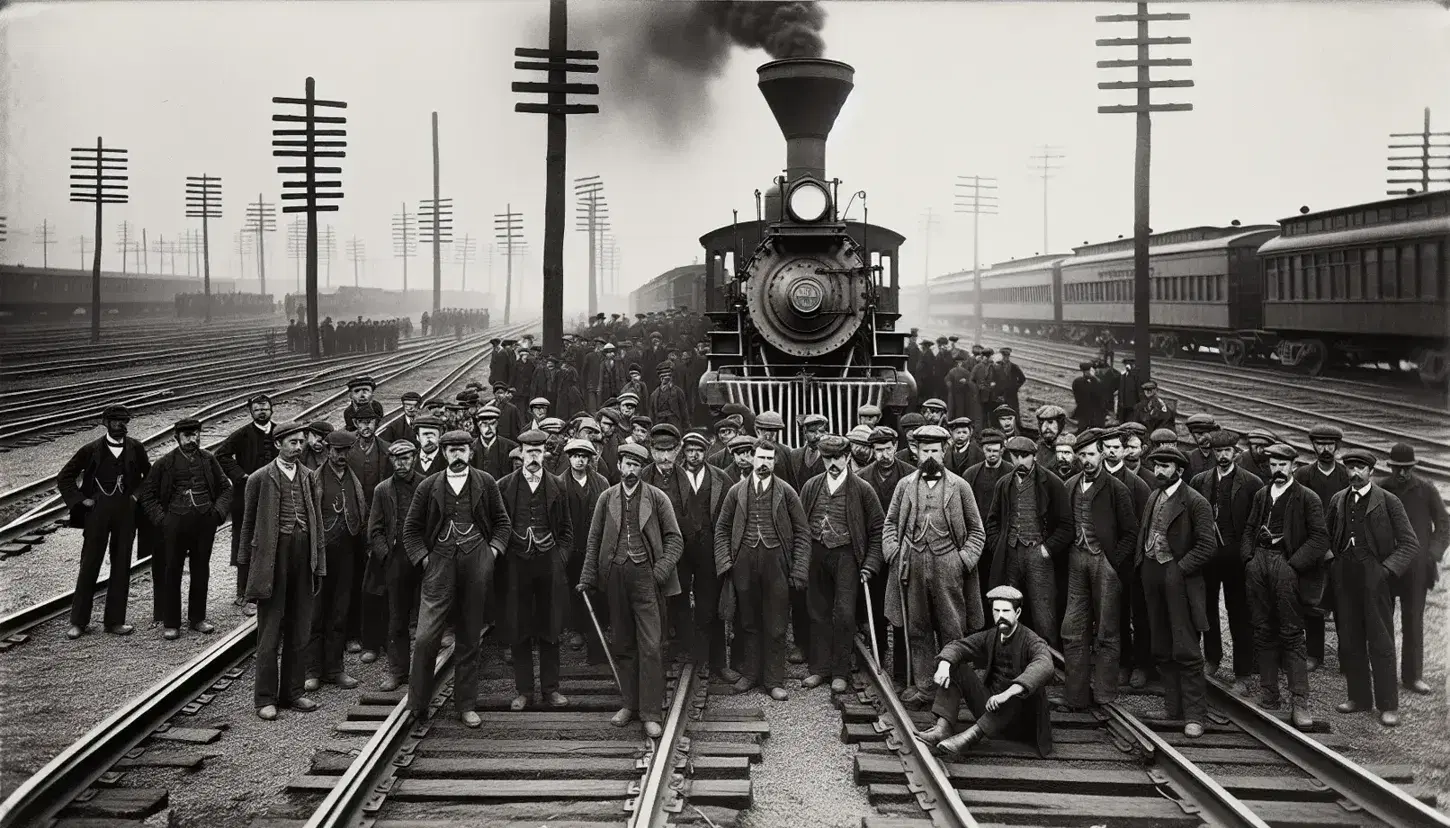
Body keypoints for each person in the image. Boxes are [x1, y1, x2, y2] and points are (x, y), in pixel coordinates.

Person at [403, 430, 513, 727]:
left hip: (476, 562)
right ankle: (417, 704)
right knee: (426, 637)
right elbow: (411, 529)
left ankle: (466, 705)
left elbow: (503, 523)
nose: (456, 455)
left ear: (470, 452)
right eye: (451, 450)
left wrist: (491, 554)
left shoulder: (486, 482)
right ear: (443, 453)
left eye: (461, 449)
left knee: (469, 637)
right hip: (439, 564)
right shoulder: (428, 486)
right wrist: (424, 559)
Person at [578, 442, 685, 737]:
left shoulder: (657, 498)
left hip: (646, 579)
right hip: (614, 578)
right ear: (619, 466)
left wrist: (659, 572)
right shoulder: (606, 498)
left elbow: (675, 540)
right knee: (623, 643)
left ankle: (651, 712)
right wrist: (588, 576)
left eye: (636, 465)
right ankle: (630, 704)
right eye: (626, 463)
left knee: (650, 645)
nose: (630, 470)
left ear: (642, 468)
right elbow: (593, 540)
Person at [882, 424, 986, 708]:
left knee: (952, 627)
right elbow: (890, 523)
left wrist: (963, 560)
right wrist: (892, 552)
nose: (930, 456)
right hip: (912, 564)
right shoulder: (905, 486)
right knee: (918, 627)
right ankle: (925, 687)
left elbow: (977, 530)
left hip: (947, 565)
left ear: (944, 452)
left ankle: (952, 687)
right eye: (924, 450)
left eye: (935, 451)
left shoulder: (960, 486)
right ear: (916, 452)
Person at [238, 422, 326, 720]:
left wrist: (319, 564)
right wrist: (246, 572)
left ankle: (294, 692)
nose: (299, 447)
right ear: (278, 445)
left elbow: (317, 524)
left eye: (301, 442)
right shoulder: (260, 478)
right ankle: (265, 698)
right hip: (273, 560)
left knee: (301, 628)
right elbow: (247, 525)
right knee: (270, 631)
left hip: (303, 559)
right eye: (292, 442)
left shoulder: (309, 477)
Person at [1326, 448, 1418, 727]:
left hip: (1375, 579)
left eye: (1360, 468)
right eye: (1350, 468)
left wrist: (1386, 571)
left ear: (1371, 472)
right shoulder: (1338, 499)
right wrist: (1333, 563)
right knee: (1350, 639)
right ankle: (1359, 697)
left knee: (1381, 641)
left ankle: (1388, 705)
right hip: (1345, 577)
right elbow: (1328, 536)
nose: (1354, 473)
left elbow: (1409, 543)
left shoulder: (1388, 501)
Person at [714, 439, 810, 700]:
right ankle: (751, 675)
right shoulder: (736, 492)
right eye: (760, 458)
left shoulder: (787, 492)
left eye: (769, 459)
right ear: (752, 459)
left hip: (776, 562)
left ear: (775, 461)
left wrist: (799, 569)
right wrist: (725, 564)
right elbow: (722, 529)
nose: (765, 463)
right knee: (748, 622)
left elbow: (802, 532)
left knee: (777, 623)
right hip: (743, 562)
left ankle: (774, 680)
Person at [1241, 443, 1328, 729]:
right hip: (1260, 565)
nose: (1277, 470)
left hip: (1286, 566)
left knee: (1291, 634)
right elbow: (1250, 529)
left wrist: (1293, 565)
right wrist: (1249, 558)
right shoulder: (1261, 495)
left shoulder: (1307, 498)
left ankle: (1300, 702)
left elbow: (1319, 539)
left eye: (1283, 464)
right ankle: (1269, 695)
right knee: (1262, 629)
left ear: (1293, 466)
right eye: (1273, 464)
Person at [914, 585, 1055, 758]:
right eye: (996, 611)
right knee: (955, 666)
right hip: (990, 709)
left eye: (1006, 611)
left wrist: (1008, 693)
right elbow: (958, 646)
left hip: (1020, 722)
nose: (1000, 616)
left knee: (1018, 691)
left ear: (1017, 613)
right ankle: (943, 728)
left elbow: (1045, 664)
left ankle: (970, 737)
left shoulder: (1032, 641)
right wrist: (944, 665)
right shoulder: (991, 636)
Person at [1137, 445, 1216, 737]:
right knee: (1160, 643)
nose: (1159, 471)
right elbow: (1145, 534)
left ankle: (1195, 714)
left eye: (1166, 466)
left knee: (1186, 647)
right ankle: (1173, 707)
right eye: (1157, 465)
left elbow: (1208, 546)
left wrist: (1178, 570)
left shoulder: (1195, 502)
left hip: (1180, 580)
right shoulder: (1154, 496)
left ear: (1179, 470)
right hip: (1152, 575)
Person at [798, 434, 885, 693]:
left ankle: (840, 672)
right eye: (827, 458)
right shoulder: (811, 486)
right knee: (817, 612)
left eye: (838, 457)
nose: (833, 463)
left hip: (847, 555)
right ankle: (820, 670)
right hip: (817, 553)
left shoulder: (862, 489)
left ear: (848, 457)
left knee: (844, 614)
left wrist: (870, 564)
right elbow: (801, 526)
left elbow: (878, 529)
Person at [1060, 430, 1140, 712]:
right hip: (1076, 561)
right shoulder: (1069, 485)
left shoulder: (1118, 489)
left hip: (1103, 564)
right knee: (1072, 629)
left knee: (1107, 630)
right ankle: (1075, 696)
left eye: (1091, 454)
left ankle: (1105, 693)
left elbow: (1131, 533)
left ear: (1103, 455)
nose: (1086, 460)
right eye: (1081, 455)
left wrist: (1112, 562)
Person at [57, 404, 153, 638]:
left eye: (124, 421)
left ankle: (115, 621)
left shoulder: (136, 448)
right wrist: (81, 501)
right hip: (97, 514)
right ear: (106, 423)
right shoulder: (90, 450)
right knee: (89, 565)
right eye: (116, 421)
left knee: (121, 567)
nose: (121, 425)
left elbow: (149, 476)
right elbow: (65, 477)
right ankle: (79, 622)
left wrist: (135, 496)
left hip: (126, 515)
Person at [497, 430, 576, 710]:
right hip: (516, 566)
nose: (533, 457)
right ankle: (524, 691)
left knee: (550, 627)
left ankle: (551, 689)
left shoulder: (558, 485)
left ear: (545, 454)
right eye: (528, 452)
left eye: (538, 452)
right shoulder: (504, 486)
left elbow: (567, 531)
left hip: (548, 565)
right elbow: (496, 527)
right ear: (520, 452)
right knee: (518, 627)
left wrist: (559, 559)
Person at [137, 417, 232, 640]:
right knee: (172, 572)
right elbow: (148, 495)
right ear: (177, 438)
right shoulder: (165, 463)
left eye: (196, 435)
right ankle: (171, 622)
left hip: (203, 525)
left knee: (201, 571)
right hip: (174, 527)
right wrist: (162, 520)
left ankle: (197, 619)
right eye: (187, 436)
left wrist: (217, 514)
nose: (193, 440)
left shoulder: (209, 460)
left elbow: (226, 489)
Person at [984, 436, 1071, 647]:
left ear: (1035, 456)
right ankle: (1012, 659)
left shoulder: (1052, 483)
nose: (1020, 462)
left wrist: (1047, 549)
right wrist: (1000, 545)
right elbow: (992, 521)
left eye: (1025, 456)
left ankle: (1049, 665)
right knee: (1009, 608)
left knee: (1044, 614)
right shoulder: (1004, 484)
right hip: (1011, 555)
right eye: (1016, 456)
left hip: (1039, 556)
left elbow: (1067, 526)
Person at [1379, 443, 1448, 696]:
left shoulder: (1426, 489)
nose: (1403, 474)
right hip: (1388, 567)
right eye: (1398, 469)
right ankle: (1384, 673)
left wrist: (1433, 554)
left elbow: (1444, 524)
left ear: (1413, 468)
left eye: (1407, 469)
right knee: (1384, 622)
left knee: (1413, 621)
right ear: (1392, 468)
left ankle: (1413, 677)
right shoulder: (1382, 488)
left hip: (1418, 568)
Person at [306, 430, 369, 692]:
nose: (342, 456)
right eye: (337, 451)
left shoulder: (354, 480)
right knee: (315, 613)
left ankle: (335, 669)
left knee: (340, 612)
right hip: (320, 557)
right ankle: (311, 670)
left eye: (346, 451)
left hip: (347, 555)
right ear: (328, 450)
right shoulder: (314, 479)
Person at [364, 440, 424, 692]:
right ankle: (398, 671)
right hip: (396, 560)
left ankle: (422, 673)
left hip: (423, 560)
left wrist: (429, 554)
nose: (402, 463)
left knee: (425, 620)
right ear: (390, 461)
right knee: (396, 619)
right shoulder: (382, 490)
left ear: (414, 457)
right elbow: (374, 529)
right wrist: (386, 556)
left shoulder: (427, 484)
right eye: (397, 459)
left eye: (407, 458)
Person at [217, 394, 279, 617]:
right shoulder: (242, 434)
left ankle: (272, 589)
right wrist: (241, 475)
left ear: (272, 410)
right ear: (250, 412)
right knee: (245, 541)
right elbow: (221, 455)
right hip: (247, 498)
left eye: (265, 408)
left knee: (275, 539)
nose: (261, 412)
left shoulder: (280, 432)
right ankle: (243, 591)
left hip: (276, 497)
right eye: (257, 409)